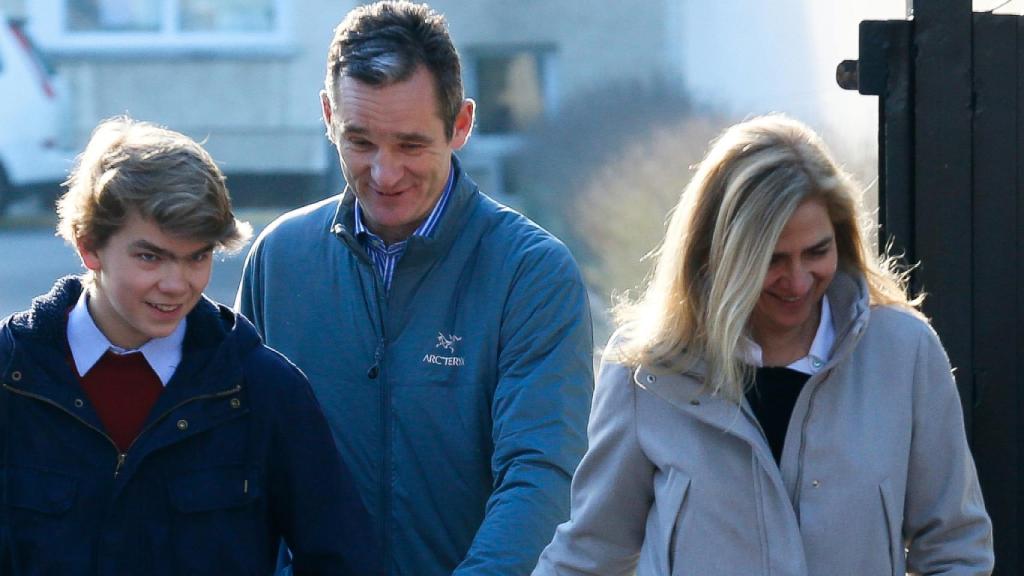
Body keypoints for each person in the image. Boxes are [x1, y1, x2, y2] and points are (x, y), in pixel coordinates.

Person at [533, 115, 994, 575]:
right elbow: (590, 553)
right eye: (771, 260)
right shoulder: (646, 372)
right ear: (718, 254)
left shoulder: (905, 352)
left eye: (817, 252)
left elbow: (956, 548)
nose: (797, 281)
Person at [235, 2, 594, 574]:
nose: (384, 173)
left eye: (410, 145)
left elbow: (541, 473)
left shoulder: (531, 274)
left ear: (461, 125)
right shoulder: (281, 259)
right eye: (360, 142)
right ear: (329, 115)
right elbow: (238, 467)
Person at [0, 117, 381, 575]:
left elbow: (344, 558)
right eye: (150, 256)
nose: (177, 284)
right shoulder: (11, 376)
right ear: (89, 248)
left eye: (197, 256)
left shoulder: (265, 390)